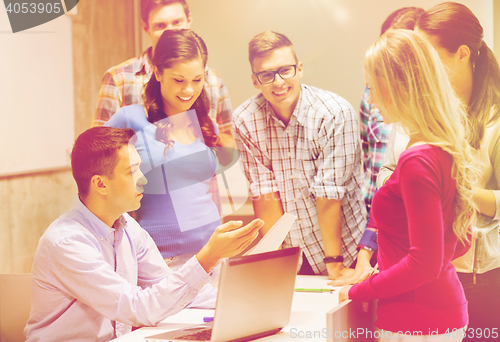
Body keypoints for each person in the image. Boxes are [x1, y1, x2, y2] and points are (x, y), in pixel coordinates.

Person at [24, 126, 263, 342]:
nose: (143, 179)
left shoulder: (127, 226)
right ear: (100, 184)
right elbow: (138, 308)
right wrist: (207, 257)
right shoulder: (68, 243)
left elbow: (169, 289)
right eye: (131, 172)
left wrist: (249, 300)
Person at [340, 29, 476, 341]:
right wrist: (388, 271)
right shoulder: (443, 146)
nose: (370, 99)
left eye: (373, 88)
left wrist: (360, 289)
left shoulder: (417, 160)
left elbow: (424, 264)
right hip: (440, 311)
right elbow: (460, 242)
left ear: (399, 86)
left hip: (417, 320)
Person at [377, 3, 500, 339]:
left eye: (427, 54)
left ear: (462, 53)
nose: (418, 65)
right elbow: (385, 174)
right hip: (417, 274)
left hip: (478, 279)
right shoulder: (412, 111)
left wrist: (452, 189)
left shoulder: (494, 120)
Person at [233, 31, 366, 279]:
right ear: (255, 80)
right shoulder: (246, 119)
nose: (278, 82)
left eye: (285, 70)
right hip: (295, 256)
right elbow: (265, 194)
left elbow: (329, 195)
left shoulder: (335, 113)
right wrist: (276, 263)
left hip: (346, 251)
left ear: (299, 69)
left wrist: (334, 263)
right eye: (267, 75)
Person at [92, 0, 235, 211]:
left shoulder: (213, 79)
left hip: (204, 212)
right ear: (145, 27)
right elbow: (97, 153)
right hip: (144, 216)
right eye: (160, 25)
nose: (170, 31)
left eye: (177, 22)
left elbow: (227, 139)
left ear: (189, 21)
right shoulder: (120, 78)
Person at [105, 29, 225, 270]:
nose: (189, 90)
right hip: (160, 259)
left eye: (197, 80)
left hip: (212, 254)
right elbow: (94, 179)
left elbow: (210, 191)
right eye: (179, 80)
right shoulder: (130, 120)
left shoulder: (207, 125)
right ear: (157, 72)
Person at [335, 7, 425, 285]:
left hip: (414, 231)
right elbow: (377, 176)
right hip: (376, 221)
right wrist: (366, 250)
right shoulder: (371, 96)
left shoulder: (430, 120)